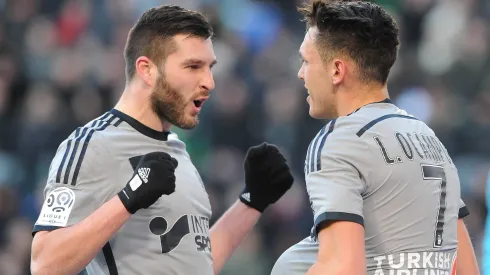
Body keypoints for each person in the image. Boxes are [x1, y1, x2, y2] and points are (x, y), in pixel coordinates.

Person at [29, 5, 294, 275]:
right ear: (147, 70)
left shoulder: (177, 151)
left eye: (209, 68)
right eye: (193, 66)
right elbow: (45, 264)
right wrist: (129, 198)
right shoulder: (93, 144)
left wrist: (251, 202)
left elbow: (193, 265)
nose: (209, 82)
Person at [271, 0, 480, 274]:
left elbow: (343, 266)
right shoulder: (428, 138)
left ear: (336, 70)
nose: (300, 74)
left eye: (305, 61)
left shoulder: (340, 141)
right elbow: (464, 268)